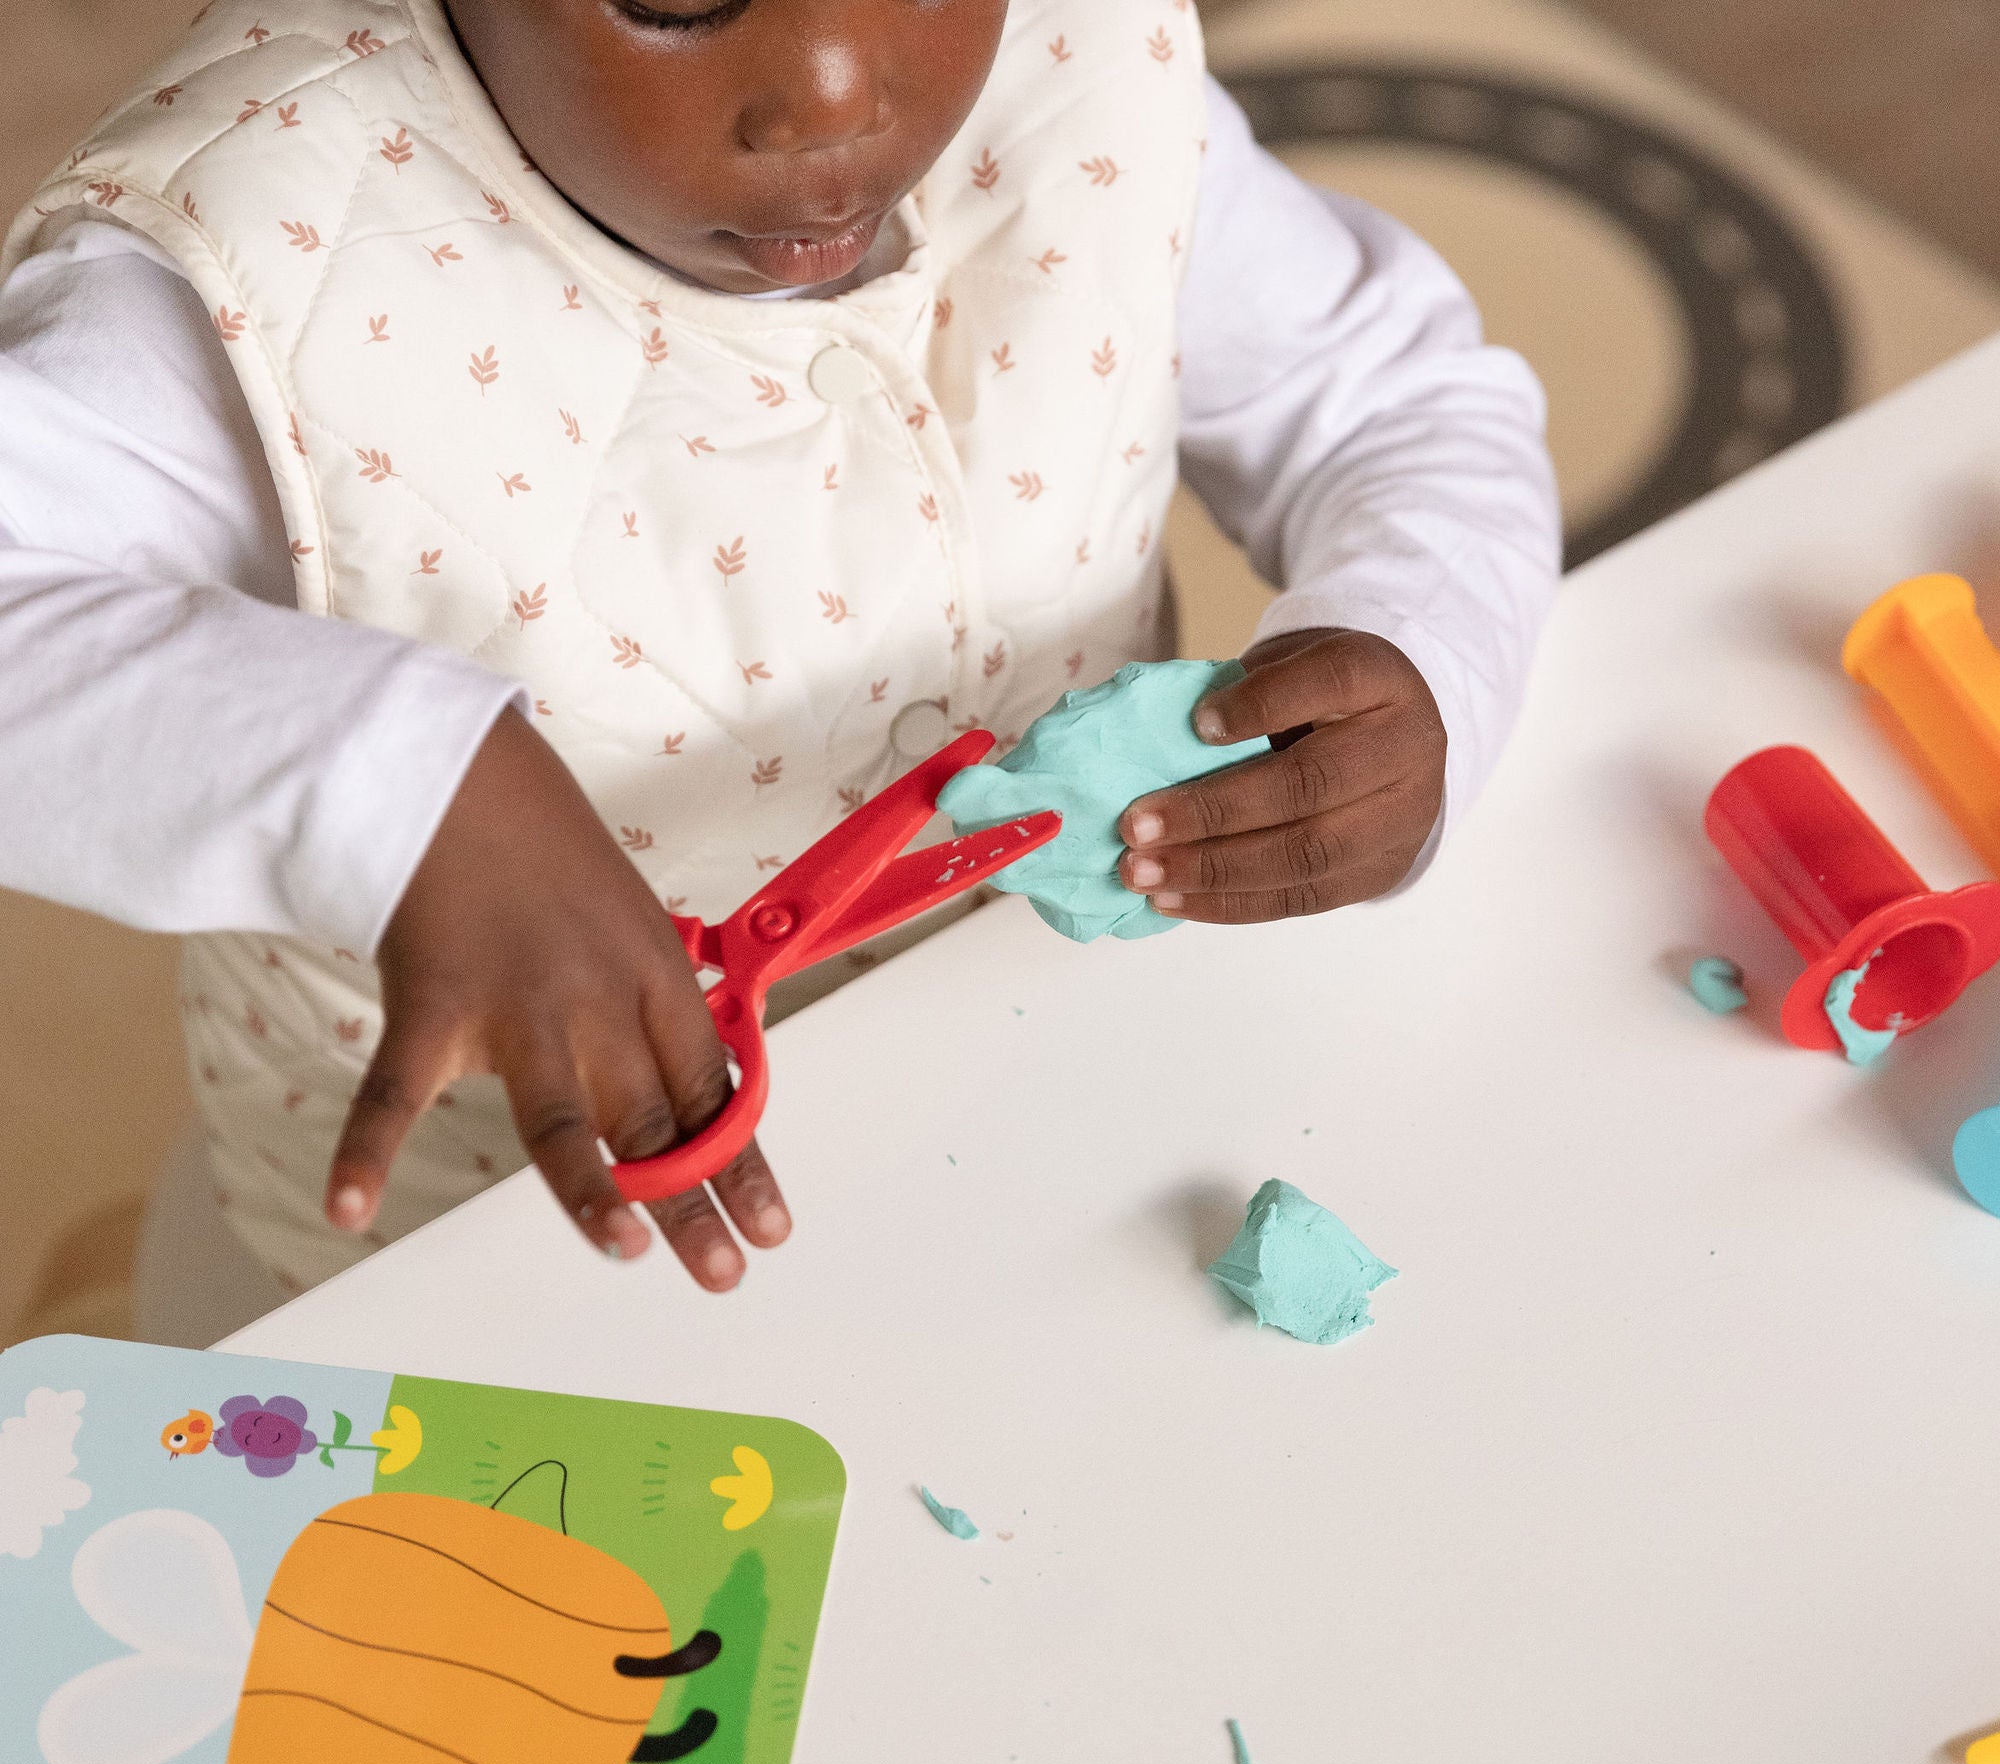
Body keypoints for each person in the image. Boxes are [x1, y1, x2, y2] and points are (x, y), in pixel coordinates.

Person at [0, 0, 1558, 1312]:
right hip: (469, 1266)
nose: (830, 96)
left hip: (1046, 1118)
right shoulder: (260, 250)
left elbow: (1396, 403)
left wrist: (1424, 649)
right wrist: (402, 787)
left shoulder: (1087, 70)